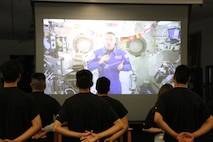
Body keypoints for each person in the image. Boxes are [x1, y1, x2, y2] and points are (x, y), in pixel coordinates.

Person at [53, 69, 123, 142]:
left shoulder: (69, 102)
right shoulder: (102, 101)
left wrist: (79, 135)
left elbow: (56, 128)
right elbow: (119, 125)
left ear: (76, 84)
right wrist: (97, 136)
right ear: (92, 84)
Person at [154, 64, 213, 142]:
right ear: (189, 78)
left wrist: (175, 135)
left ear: (174, 77)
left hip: (171, 140)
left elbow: (157, 119)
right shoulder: (196, 98)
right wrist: (193, 135)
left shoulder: (165, 96)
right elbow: (210, 121)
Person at [0, 60, 42, 141]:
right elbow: (37, 125)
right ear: (19, 76)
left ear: (1, 75)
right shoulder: (27, 98)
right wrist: (16, 141)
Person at [29, 73, 61, 142]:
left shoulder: (24, 100)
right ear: (45, 86)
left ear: (31, 85)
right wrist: (47, 129)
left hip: (27, 137)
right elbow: (62, 119)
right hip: (47, 137)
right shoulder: (52, 101)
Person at [96, 76, 129, 142]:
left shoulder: (90, 103)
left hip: (92, 138)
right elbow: (125, 125)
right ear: (109, 88)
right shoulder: (117, 103)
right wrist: (112, 138)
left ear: (96, 88)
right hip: (111, 139)